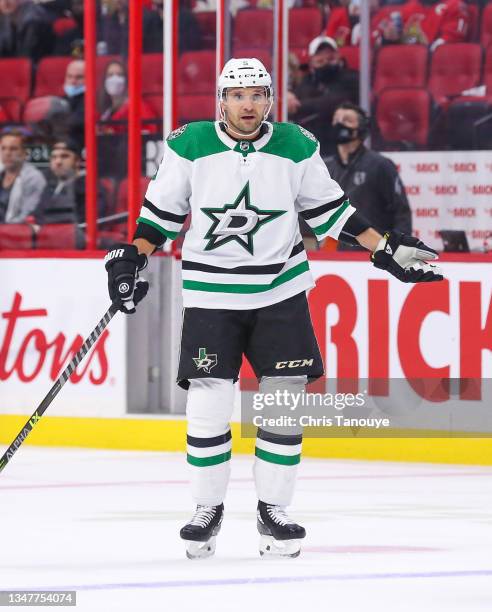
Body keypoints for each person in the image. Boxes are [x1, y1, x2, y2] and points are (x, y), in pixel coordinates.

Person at [104, 58, 443, 560]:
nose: (248, 104)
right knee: (209, 403)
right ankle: (206, 509)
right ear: (221, 99)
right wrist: (133, 259)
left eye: (258, 94)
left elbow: (332, 211)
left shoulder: (296, 144)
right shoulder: (188, 144)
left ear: (269, 99)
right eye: (238, 95)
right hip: (211, 296)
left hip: (280, 291)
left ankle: (273, 510)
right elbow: (160, 216)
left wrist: (383, 246)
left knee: (284, 400)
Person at [324, 102, 412, 249]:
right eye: (336, 120)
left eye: (347, 120)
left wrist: (399, 250)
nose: (339, 124)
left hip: (374, 253)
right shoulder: (326, 167)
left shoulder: (380, 165)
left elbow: (401, 213)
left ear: (361, 128)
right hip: (336, 256)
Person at [289, 35, 359, 155]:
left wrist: (300, 106)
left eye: (330, 55)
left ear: (338, 55)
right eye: (320, 56)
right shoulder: (307, 81)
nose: (326, 58)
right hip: (310, 149)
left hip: (342, 146)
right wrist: (288, 98)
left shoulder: (351, 78)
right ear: (311, 61)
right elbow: (293, 103)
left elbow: (336, 102)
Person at [34, 139, 106, 225]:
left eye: (64, 156)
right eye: (54, 157)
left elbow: (86, 222)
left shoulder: (90, 187)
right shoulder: (46, 186)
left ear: (77, 161)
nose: (58, 162)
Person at [97, 60, 159, 135]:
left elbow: (150, 132)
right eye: (110, 75)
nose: (115, 79)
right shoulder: (106, 111)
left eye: (119, 75)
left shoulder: (138, 106)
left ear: (127, 80)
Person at [0, 129, 46, 223]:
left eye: (13, 149)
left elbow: (27, 217)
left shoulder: (34, 178)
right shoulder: (1, 173)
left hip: (15, 233)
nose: (7, 153)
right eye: (3, 148)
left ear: (24, 153)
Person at [61, 59, 85, 149]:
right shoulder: (61, 99)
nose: (73, 81)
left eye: (79, 77)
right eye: (69, 76)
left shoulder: (94, 101)